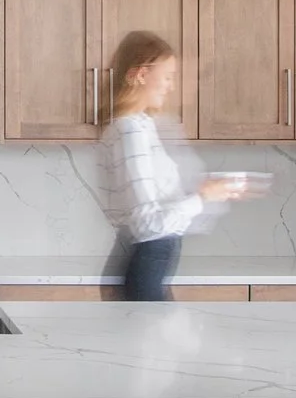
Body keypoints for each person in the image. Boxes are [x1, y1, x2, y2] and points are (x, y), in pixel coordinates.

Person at [96, 31, 245, 300]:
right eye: (167, 76)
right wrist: (202, 198)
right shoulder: (129, 131)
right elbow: (147, 224)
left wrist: (206, 191)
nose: (171, 86)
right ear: (141, 75)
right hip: (145, 265)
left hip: (150, 264)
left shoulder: (141, 126)